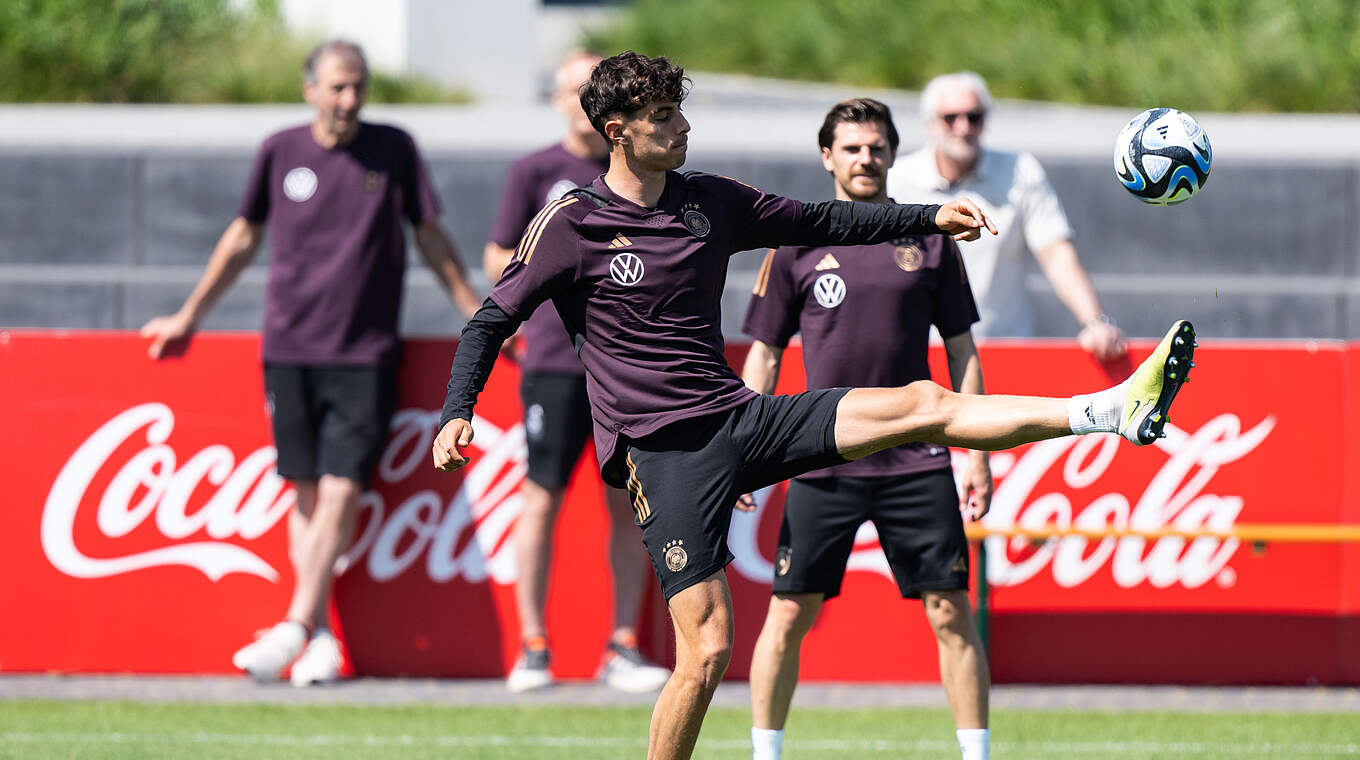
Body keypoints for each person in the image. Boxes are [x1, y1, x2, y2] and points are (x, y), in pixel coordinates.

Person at [431, 52, 1195, 760]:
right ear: (617, 132)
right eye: (664, 116)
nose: (683, 126)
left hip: (741, 418)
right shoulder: (571, 223)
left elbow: (825, 220)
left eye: (679, 111)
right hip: (661, 453)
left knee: (924, 402)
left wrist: (930, 216)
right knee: (706, 652)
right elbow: (491, 319)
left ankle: (1109, 411)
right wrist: (458, 408)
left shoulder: (712, 203)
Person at [141, 39, 481, 687]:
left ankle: (293, 622)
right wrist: (189, 315)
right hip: (290, 349)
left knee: (342, 488)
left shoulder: (395, 148)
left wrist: (476, 310)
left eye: (357, 86)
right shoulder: (280, 151)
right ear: (310, 90)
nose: (348, 99)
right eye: (336, 87)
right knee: (305, 492)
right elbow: (243, 236)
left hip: (364, 351)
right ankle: (320, 634)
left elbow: (430, 235)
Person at [740, 98, 992, 760]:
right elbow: (764, 354)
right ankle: (766, 754)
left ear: (891, 154)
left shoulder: (930, 238)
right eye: (851, 148)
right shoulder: (795, 240)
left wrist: (975, 457)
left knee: (950, 612)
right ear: (827, 156)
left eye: (876, 147)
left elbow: (963, 351)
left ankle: (977, 755)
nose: (864, 158)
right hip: (823, 457)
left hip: (916, 458)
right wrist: (739, 452)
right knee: (790, 614)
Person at [483, 50, 670, 694]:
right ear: (560, 99)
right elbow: (498, 257)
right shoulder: (536, 170)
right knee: (541, 496)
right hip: (555, 364)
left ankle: (623, 645)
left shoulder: (640, 170)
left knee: (628, 503)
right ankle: (532, 646)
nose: (584, 100)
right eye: (573, 90)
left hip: (626, 370)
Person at [888, 71, 1126, 362]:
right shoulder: (897, 179)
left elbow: (1055, 255)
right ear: (930, 123)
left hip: (1000, 353)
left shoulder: (1020, 172)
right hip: (918, 355)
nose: (963, 127)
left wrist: (1095, 322)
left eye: (973, 117)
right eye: (951, 117)